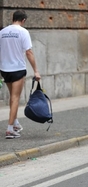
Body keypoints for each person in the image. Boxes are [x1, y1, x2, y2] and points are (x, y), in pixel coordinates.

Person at [0, 10, 41, 139]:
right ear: (23, 20)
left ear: (13, 18)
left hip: (5, 70)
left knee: (12, 97)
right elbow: (29, 52)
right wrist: (36, 70)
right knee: (15, 98)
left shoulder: (2, 32)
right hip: (17, 69)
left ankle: (15, 122)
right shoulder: (23, 32)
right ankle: (10, 129)